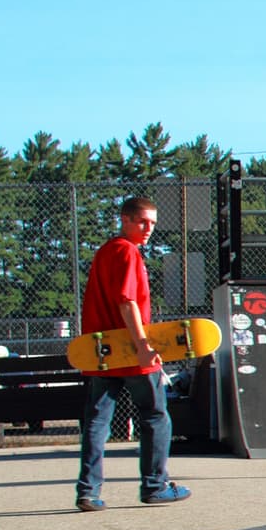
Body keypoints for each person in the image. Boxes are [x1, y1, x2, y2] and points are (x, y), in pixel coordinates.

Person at [74, 195, 191, 511]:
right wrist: (142, 345)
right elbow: (127, 302)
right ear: (124, 219)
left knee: (98, 419)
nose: (148, 228)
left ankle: (87, 491)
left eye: (152, 223)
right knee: (155, 414)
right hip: (129, 349)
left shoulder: (103, 253)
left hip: (102, 351)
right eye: (142, 222)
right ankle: (155, 486)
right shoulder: (128, 253)